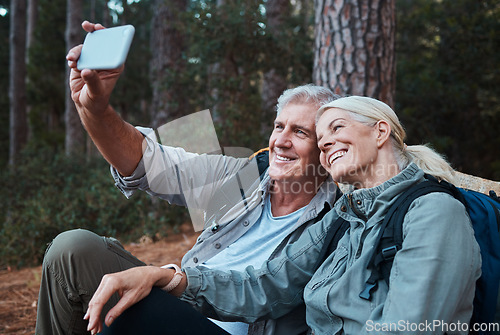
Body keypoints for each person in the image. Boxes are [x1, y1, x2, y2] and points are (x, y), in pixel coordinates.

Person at [35, 22, 341, 335]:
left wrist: (171, 279)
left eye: (300, 132)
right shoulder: (242, 177)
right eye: (279, 127)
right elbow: (145, 162)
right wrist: (95, 110)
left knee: (125, 309)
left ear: (326, 147)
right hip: (180, 306)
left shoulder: (338, 219)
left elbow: (268, 291)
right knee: (72, 250)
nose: (281, 141)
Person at [85, 96, 481, 335]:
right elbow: (268, 284)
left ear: (380, 132)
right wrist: (172, 278)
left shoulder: (432, 212)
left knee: (136, 315)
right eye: (322, 138)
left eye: (332, 129)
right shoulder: (347, 213)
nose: (328, 144)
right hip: (199, 309)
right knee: (102, 274)